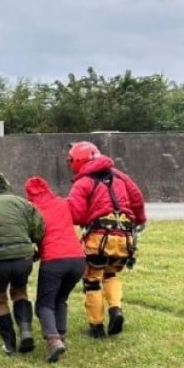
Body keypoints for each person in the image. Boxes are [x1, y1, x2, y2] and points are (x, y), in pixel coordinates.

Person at [66, 141, 147, 339]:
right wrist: (140, 220)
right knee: (111, 274)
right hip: (125, 237)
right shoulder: (120, 177)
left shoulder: (83, 182)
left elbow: (76, 214)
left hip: (98, 239)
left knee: (92, 280)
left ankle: (96, 327)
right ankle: (116, 308)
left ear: (78, 161)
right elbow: (137, 199)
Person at [0, 172, 44, 356]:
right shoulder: (23, 203)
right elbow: (38, 230)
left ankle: (9, 344)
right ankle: (25, 330)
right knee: (20, 292)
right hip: (23, 258)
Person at [24, 176, 86, 362]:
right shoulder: (62, 202)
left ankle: (53, 341)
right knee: (61, 298)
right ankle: (61, 335)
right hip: (77, 259)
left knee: (44, 304)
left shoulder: (32, 209)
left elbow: (34, 234)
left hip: (54, 260)